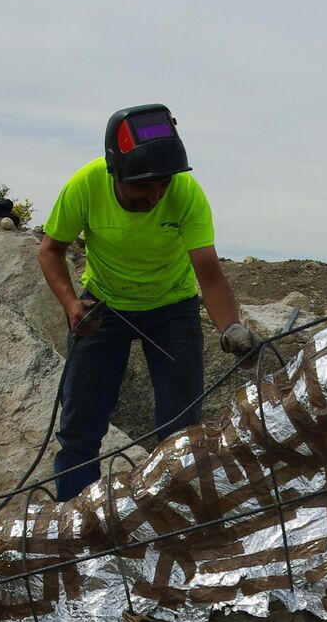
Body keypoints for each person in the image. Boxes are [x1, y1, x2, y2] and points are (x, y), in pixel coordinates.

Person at [36, 103, 250, 501]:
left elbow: (209, 272)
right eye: (142, 187)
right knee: (79, 429)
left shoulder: (185, 194)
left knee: (182, 433)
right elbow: (50, 251)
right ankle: (74, 525)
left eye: (162, 184)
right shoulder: (85, 186)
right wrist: (71, 305)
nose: (154, 195)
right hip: (104, 306)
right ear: (114, 172)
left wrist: (231, 329)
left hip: (173, 310)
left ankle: (170, 522)